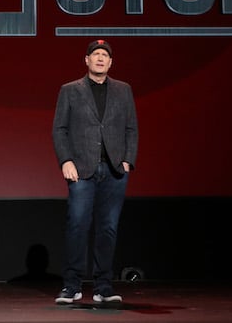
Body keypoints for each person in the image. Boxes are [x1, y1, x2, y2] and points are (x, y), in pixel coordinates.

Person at [52, 39, 138, 304]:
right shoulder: (70, 90)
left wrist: (127, 160)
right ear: (86, 60)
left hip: (114, 169)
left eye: (105, 55)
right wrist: (66, 160)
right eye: (95, 54)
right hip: (81, 169)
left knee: (108, 228)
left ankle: (103, 287)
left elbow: (131, 128)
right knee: (77, 225)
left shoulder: (123, 90)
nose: (100, 58)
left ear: (111, 62)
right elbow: (59, 129)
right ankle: (72, 286)